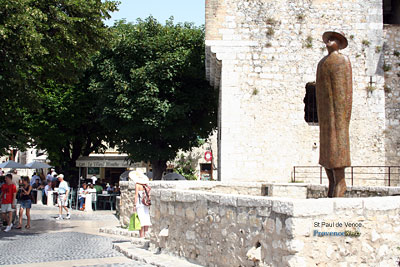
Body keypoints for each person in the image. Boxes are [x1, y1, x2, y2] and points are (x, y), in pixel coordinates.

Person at [316, 31, 352, 198]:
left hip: (338, 113)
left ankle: (340, 183)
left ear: (339, 42)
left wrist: (344, 117)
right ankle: (331, 183)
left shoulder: (343, 61)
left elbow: (348, 91)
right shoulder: (321, 63)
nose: (328, 41)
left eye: (332, 39)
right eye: (328, 39)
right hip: (325, 114)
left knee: (338, 149)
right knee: (326, 151)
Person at [131, 171, 151, 238]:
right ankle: (146, 234)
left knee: (140, 219)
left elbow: (136, 195)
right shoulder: (145, 185)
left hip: (139, 203)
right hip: (145, 203)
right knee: (146, 218)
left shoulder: (137, 185)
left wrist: (134, 205)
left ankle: (141, 235)